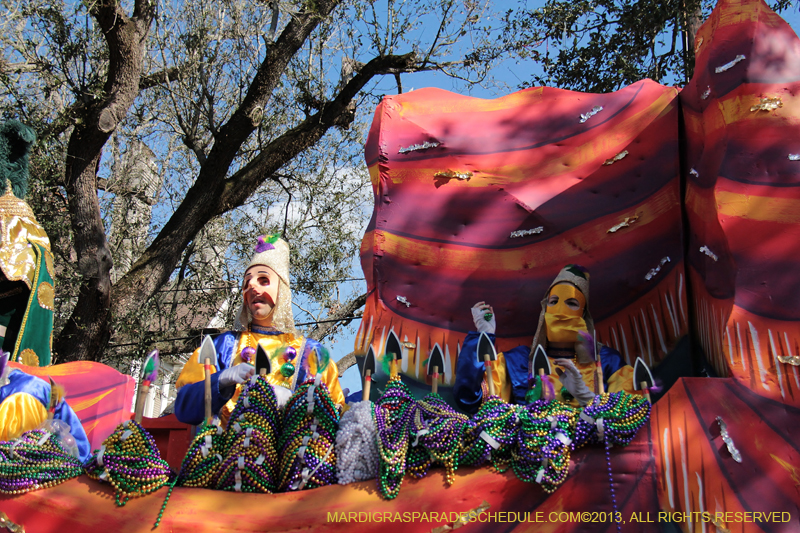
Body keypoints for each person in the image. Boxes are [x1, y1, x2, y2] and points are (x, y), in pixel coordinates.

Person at [174, 235, 345, 427]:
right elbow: (183, 408)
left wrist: (297, 402)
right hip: (227, 454)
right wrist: (220, 380)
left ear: (282, 290)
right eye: (247, 282)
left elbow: (332, 421)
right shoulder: (224, 346)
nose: (252, 286)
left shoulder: (312, 354)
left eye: (263, 280)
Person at [454, 264, 637, 412]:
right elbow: (470, 398)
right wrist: (484, 334)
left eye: (571, 303)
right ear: (544, 311)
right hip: (532, 452)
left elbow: (627, 414)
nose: (559, 311)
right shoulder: (520, 361)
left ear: (583, 315)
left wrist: (585, 397)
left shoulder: (606, 361)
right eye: (553, 302)